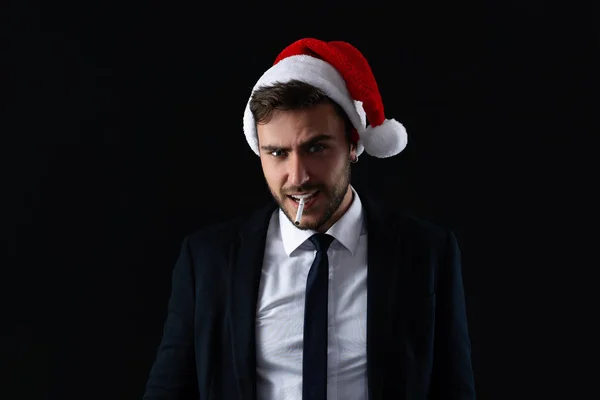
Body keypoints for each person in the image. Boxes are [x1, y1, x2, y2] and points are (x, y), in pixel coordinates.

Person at [143, 38, 476, 400]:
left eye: (316, 147)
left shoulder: (425, 252)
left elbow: (453, 389)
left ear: (352, 145)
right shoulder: (207, 258)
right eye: (277, 153)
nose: (297, 176)